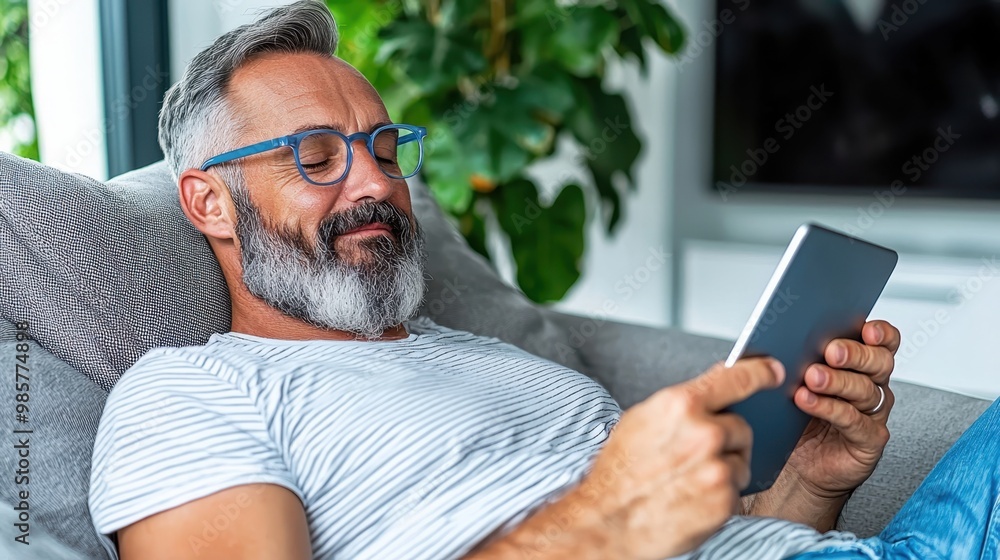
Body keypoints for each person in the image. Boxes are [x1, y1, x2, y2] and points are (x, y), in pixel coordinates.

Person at [87, 2, 1000, 559]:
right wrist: (602, 522)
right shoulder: (188, 395)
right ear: (209, 203)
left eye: (382, 148)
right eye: (315, 157)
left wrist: (810, 484)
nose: (373, 182)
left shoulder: (487, 358)